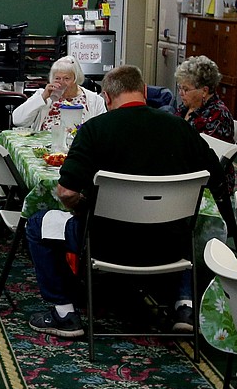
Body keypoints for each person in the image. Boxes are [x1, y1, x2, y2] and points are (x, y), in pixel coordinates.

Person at [25, 66, 224, 339]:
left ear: (106, 98)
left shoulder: (95, 130)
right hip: (170, 244)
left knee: (38, 224)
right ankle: (184, 306)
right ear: (144, 92)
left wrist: (85, 204)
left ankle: (64, 313)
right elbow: (214, 176)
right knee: (183, 221)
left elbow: (66, 192)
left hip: (105, 245)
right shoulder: (180, 128)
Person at [175, 55, 237, 190]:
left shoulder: (218, 114)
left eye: (186, 89)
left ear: (204, 91)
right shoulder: (186, 107)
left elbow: (202, 156)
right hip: (184, 168)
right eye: (180, 88)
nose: (181, 93)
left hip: (208, 180)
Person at [11, 55, 106, 132]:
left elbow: (102, 129)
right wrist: (42, 97)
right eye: (57, 78)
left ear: (76, 79)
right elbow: (17, 120)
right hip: (45, 147)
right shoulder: (43, 95)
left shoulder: (94, 100)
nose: (61, 82)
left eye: (66, 78)